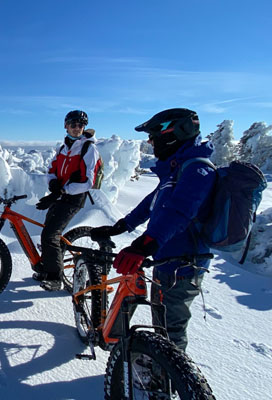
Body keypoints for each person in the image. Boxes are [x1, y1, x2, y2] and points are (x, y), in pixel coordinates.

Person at [91, 108, 216, 351]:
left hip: (182, 265)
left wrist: (144, 244)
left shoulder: (197, 169)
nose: (150, 141)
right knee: (161, 324)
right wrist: (123, 225)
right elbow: (153, 202)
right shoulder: (177, 168)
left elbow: (180, 210)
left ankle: (169, 384)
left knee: (170, 333)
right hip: (166, 259)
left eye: (153, 136)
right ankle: (161, 376)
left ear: (171, 134)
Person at [34, 110, 100, 291]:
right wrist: (53, 183)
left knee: (50, 235)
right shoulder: (63, 147)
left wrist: (62, 191)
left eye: (80, 125)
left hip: (73, 198)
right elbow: (52, 168)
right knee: (47, 231)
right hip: (60, 195)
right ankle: (47, 268)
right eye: (73, 124)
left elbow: (87, 181)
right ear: (66, 126)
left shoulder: (88, 148)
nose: (77, 128)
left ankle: (55, 278)